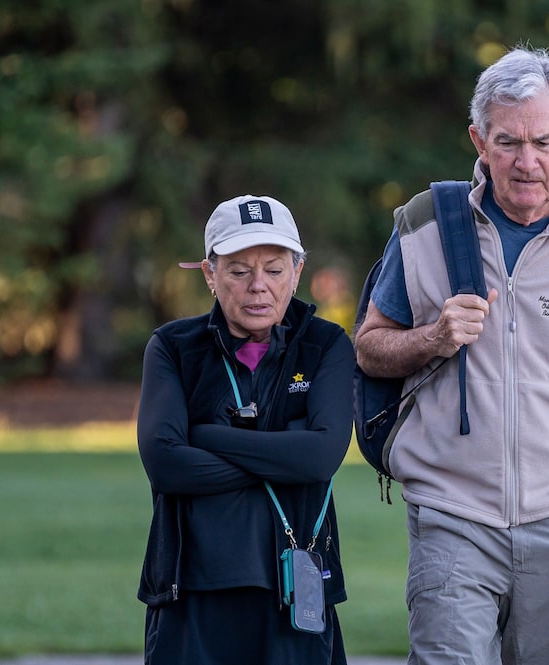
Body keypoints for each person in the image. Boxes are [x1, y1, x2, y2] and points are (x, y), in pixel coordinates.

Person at [354, 46, 549, 665]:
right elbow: (368, 349)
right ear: (478, 140)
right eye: (508, 142)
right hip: (453, 514)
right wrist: (433, 339)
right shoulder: (423, 227)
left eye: (545, 142)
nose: (527, 162)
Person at [137, 195, 354, 664]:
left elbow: (320, 458)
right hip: (190, 589)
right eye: (238, 271)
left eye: (274, 270)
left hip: (297, 590)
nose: (259, 287)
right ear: (210, 274)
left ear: (297, 273)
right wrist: (284, 449)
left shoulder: (326, 344)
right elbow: (167, 465)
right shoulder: (173, 347)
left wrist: (207, 436)